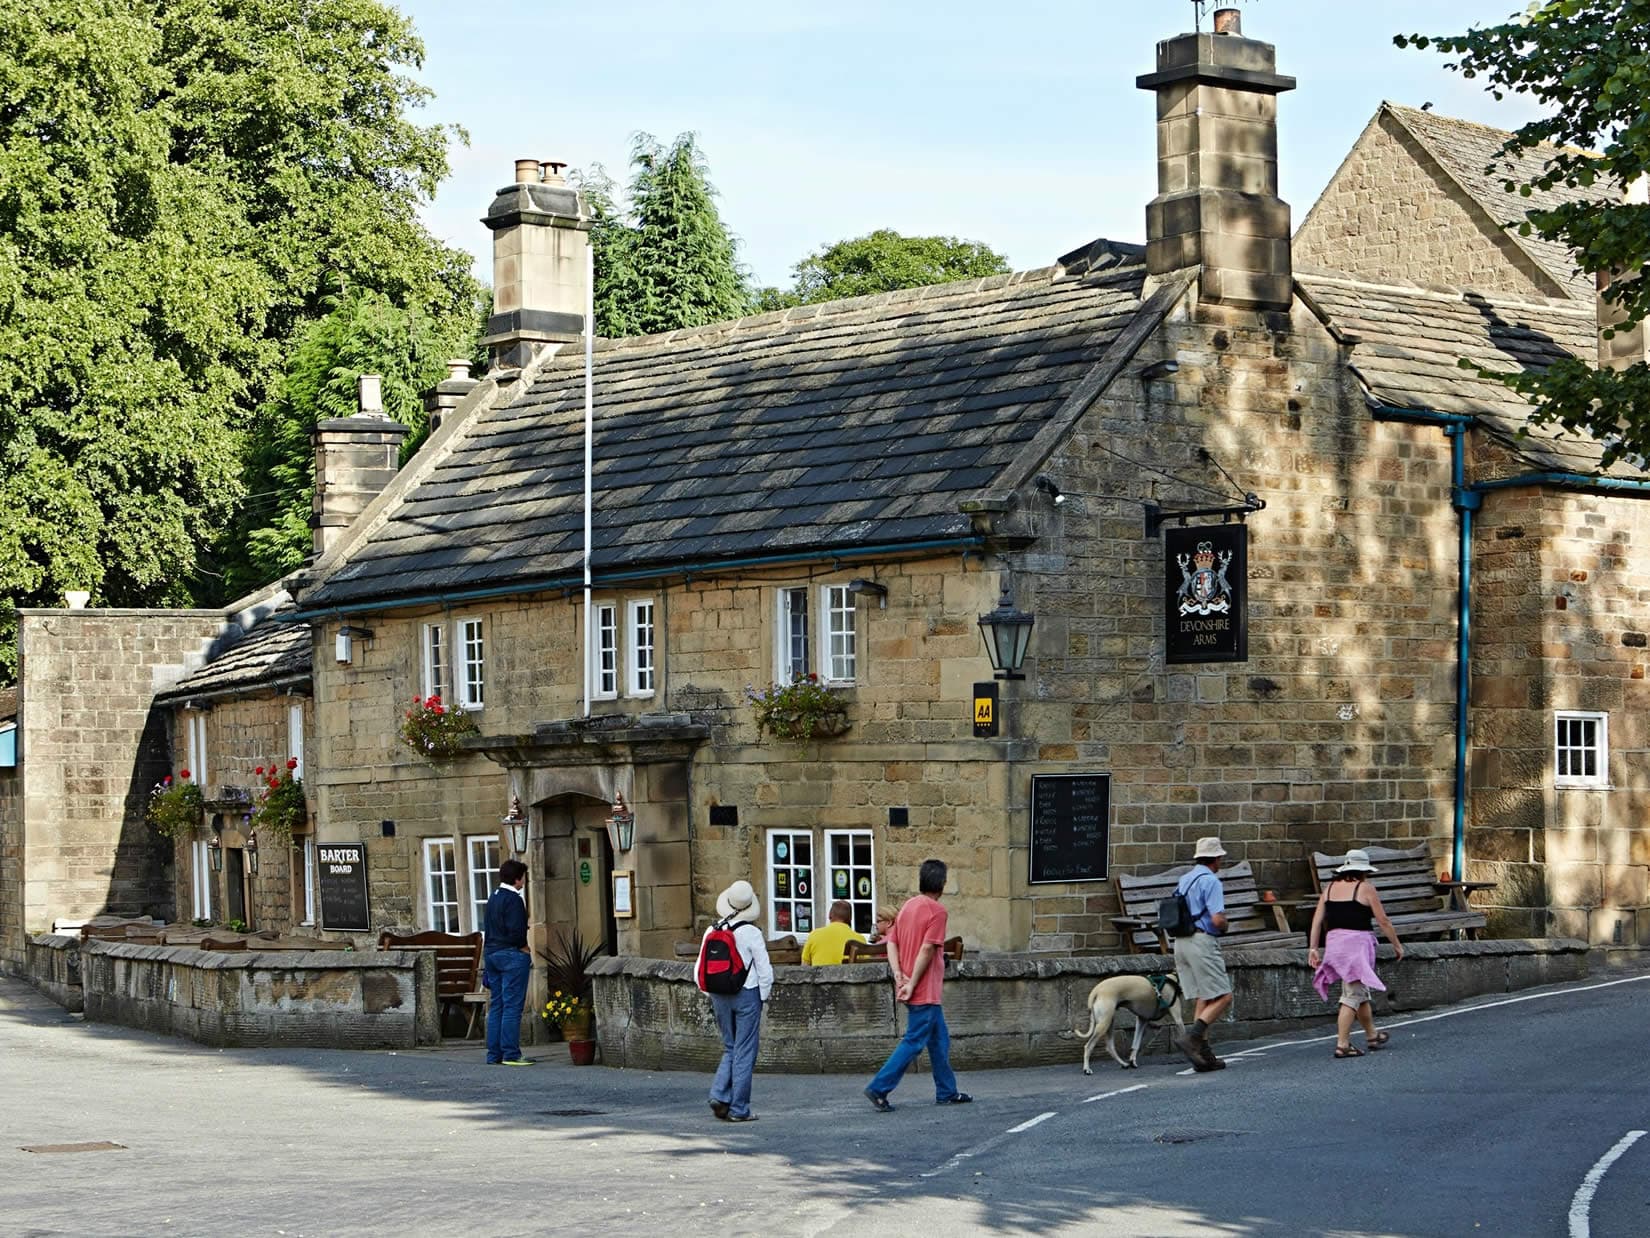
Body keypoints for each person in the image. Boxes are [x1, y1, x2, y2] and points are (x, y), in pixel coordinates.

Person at [864, 859, 972, 1112]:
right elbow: (927, 948)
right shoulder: (937, 911)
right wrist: (911, 982)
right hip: (924, 988)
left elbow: (892, 943)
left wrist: (899, 974)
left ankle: (947, 1091)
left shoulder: (908, 906)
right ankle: (879, 1087)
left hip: (912, 984)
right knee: (913, 1041)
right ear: (942, 884)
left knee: (939, 1040)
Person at [1308, 849, 1405, 1058]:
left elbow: (1316, 920)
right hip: (1356, 946)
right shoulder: (1366, 888)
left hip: (1334, 945)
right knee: (1351, 995)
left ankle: (1372, 1035)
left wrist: (1313, 948)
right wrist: (1397, 944)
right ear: (1363, 871)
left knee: (1359, 992)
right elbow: (1383, 921)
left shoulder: (1330, 888)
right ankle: (1342, 1044)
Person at [705, 880, 773, 1122]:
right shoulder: (752, 933)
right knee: (745, 1050)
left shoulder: (712, 930)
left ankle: (719, 1094)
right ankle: (738, 1109)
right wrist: (762, 997)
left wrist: (710, 993)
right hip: (747, 994)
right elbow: (765, 971)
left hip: (718, 995)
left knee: (730, 1046)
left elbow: (699, 970)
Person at [1172, 837, 1233, 1073]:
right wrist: (1225, 926)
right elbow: (1217, 919)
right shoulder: (1211, 881)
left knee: (1203, 997)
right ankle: (1193, 1038)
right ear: (1216, 858)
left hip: (1181, 942)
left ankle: (1204, 1056)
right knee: (1224, 996)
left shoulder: (1184, 879)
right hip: (1201, 942)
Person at [483, 858, 533, 1066]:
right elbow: (517, 931)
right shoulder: (513, 900)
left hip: (492, 953)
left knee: (497, 1005)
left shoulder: (493, 897)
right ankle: (511, 1053)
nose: (523, 883)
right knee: (512, 1006)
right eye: (522, 879)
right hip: (510, 955)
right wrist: (524, 947)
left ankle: (494, 1054)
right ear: (516, 879)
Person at [801, 900, 867, 965]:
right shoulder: (859, 939)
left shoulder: (814, 935)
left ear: (830, 915)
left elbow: (805, 965)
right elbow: (866, 965)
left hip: (821, 975)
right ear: (850, 919)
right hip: (848, 975)